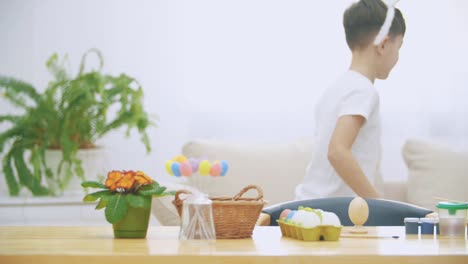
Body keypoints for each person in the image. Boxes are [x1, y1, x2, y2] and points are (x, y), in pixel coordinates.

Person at [295, 0, 406, 200]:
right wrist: (377, 202)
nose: (398, 57)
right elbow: (337, 151)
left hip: (308, 204)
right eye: (398, 47)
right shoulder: (364, 90)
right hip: (331, 214)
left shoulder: (336, 88)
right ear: (383, 45)